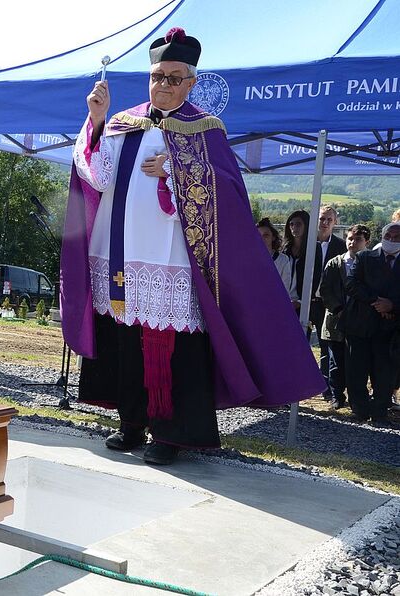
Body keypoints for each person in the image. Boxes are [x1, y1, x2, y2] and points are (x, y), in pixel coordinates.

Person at [63, 27, 323, 465]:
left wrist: (176, 168)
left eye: (173, 77)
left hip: (173, 260)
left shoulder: (206, 128)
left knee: (170, 348)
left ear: (191, 82)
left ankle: (170, 434)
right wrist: (97, 120)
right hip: (119, 254)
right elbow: (97, 175)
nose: (162, 85)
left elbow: (225, 189)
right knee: (126, 342)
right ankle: (132, 423)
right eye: (157, 76)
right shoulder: (123, 123)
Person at [344, 222, 400, 425]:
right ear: (382, 237)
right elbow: (351, 284)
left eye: (397, 237)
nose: (392, 240)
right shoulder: (365, 257)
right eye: (389, 236)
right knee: (356, 371)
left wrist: (392, 305)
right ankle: (359, 411)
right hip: (361, 325)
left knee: (385, 375)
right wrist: (377, 303)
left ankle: (379, 414)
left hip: (390, 330)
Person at [320, 224, 370, 410]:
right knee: (336, 363)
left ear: (366, 242)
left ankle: (358, 401)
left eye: (357, 239)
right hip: (336, 321)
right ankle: (336, 396)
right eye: (350, 238)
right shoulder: (334, 263)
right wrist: (338, 308)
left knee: (357, 363)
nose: (352, 242)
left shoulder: (370, 264)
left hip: (360, 322)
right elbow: (325, 290)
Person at [311, 206, 347, 400]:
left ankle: (325, 387)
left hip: (327, 305)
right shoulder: (306, 244)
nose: (324, 223)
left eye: (329, 220)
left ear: (335, 222)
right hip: (303, 301)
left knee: (326, 347)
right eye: (321, 219)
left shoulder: (341, 246)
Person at [257, 217, 296, 299]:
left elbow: (285, 290)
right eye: (258, 235)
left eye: (266, 235)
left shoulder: (283, 260)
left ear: (273, 237)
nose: (261, 239)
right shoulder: (249, 260)